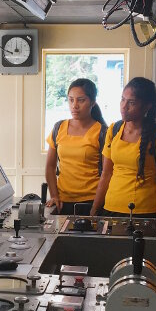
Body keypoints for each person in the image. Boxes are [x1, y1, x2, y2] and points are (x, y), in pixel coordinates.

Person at [90, 77, 156, 222]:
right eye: (122, 100)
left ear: (147, 106)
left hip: (143, 212)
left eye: (131, 102)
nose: (124, 106)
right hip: (110, 208)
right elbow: (106, 173)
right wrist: (94, 209)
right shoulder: (114, 129)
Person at [45, 78, 107, 215]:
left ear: (93, 102)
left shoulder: (102, 132)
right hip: (62, 202)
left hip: (92, 201)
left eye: (81, 100)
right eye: (71, 100)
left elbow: (107, 174)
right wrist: (54, 195)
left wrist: (96, 207)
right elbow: (50, 166)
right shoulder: (59, 127)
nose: (75, 105)